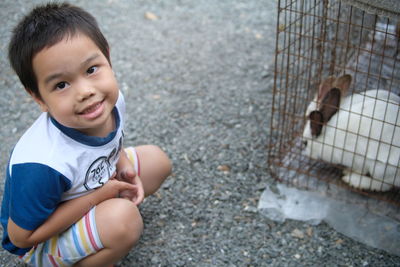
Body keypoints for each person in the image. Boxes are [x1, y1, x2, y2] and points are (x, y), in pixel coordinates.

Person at [1, 2, 172, 266]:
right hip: (41, 241)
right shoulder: (43, 163)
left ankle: (103, 225)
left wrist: (123, 164)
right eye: (61, 84)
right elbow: (20, 237)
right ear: (39, 98)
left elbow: (110, 144)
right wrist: (100, 196)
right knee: (124, 221)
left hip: (88, 187)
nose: (85, 91)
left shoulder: (108, 102)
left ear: (108, 57)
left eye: (91, 70)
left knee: (156, 161)